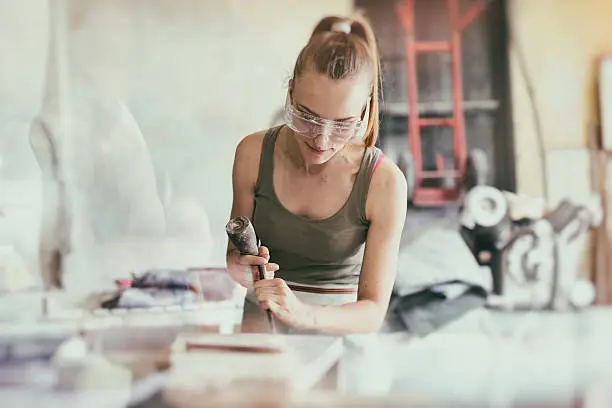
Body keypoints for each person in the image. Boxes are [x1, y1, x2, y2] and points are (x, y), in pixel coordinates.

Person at [226, 14, 407, 336]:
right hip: (260, 334)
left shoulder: (384, 182)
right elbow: (236, 256)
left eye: (342, 125)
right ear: (291, 93)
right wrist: (239, 266)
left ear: (365, 110)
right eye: (307, 117)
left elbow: (372, 313)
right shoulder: (253, 154)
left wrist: (302, 314)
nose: (321, 141)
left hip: (341, 339)